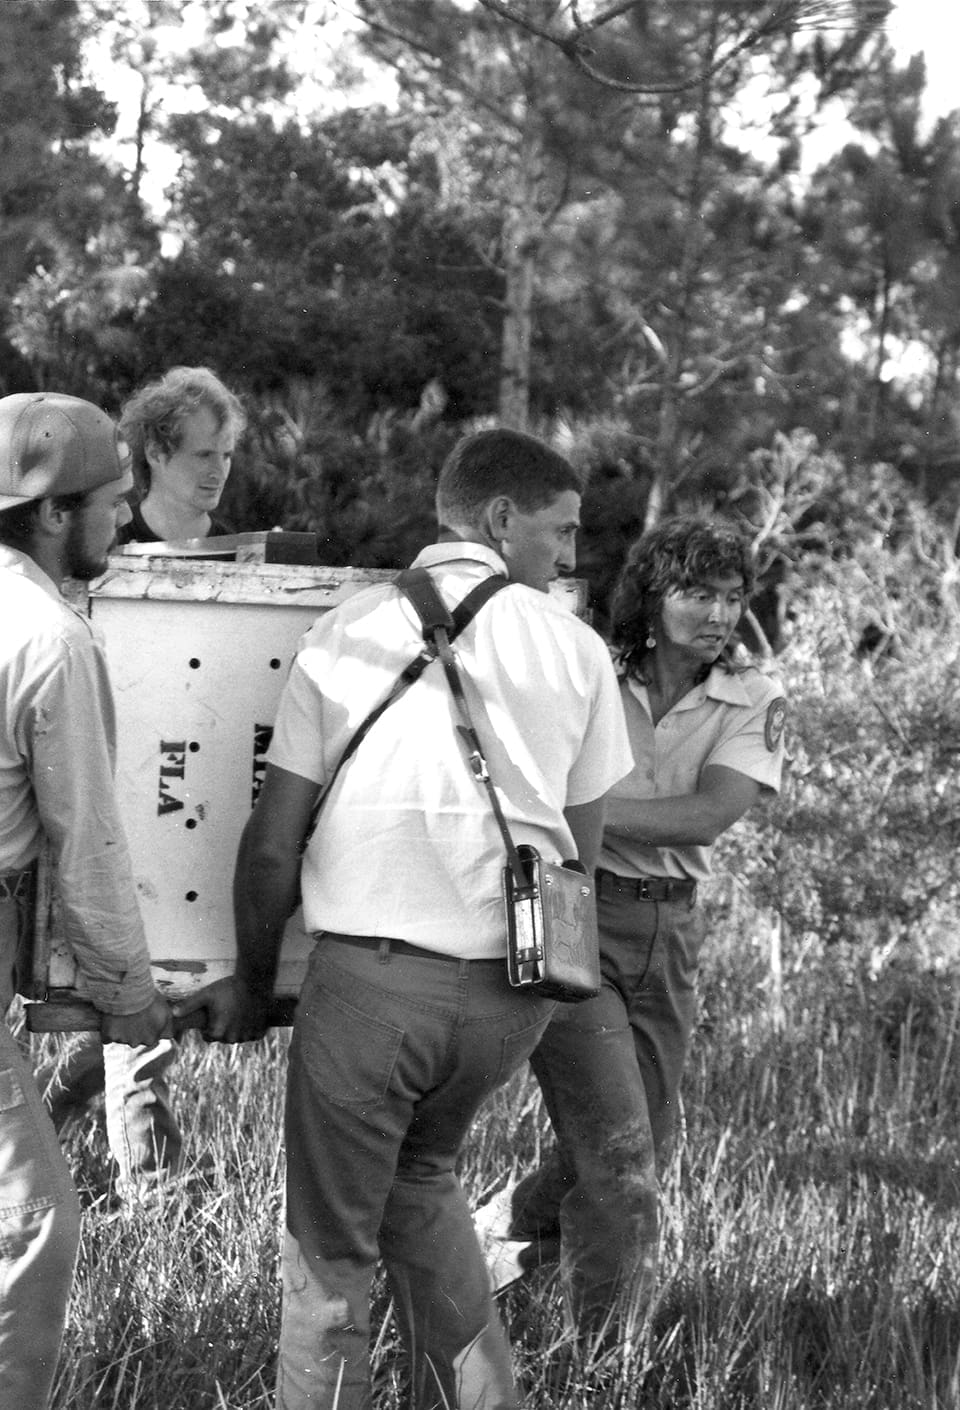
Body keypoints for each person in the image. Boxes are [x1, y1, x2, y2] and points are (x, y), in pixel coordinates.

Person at [176, 427, 634, 1410]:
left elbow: (271, 843)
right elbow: (576, 866)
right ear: (501, 520)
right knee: (422, 1186)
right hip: (511, 1001)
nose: (567, 554)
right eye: (559, 533)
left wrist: (256, 987)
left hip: (375, 990)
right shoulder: (579, 650)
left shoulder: (351, 629)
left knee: (329, 1258)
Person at [477, 516, 787, 1345]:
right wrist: (582, 819)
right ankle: (609, 1359)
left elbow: (708, 816)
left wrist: (586, 810)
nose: (719, 614)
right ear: (652, 598)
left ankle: (488, 1237)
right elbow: (527, 784)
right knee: (621, 1161)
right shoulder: (588, 667)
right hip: (572, 904)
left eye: (732, 597)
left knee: (639, 1145)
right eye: (697, 594)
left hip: (668, 930)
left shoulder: (753, 695)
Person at [0, 392, 171, 1409]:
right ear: (55, 513)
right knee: (33, 1219)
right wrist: (129, 993)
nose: (125, 520)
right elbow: (87, 839)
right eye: (111, 501)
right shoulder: (52, 638)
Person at [40, 366, 246, 1193]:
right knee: (145, 1034)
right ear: (155, 451)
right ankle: (159, 1200)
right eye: (202, 451)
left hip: (204, 819)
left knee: (162, 1016)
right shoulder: (107, 564)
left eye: (228, 453)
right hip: (118, 813)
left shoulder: (243, 570)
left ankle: (60, 1095)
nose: (218, 470)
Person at [117, 364, 246, 543]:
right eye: (204, 455)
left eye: (226, 456)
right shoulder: (109, 545)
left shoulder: (235, 554)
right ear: (155, 453)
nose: (219, 472)